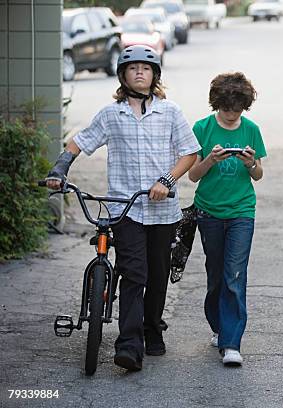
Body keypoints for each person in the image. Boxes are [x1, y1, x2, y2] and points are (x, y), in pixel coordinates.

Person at [46, 45, 200, 370]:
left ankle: (152, 328)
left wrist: (167, 181)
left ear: (155, 75)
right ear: (123, 76)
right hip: (125, 210)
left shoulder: (170, 112)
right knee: (133, 274)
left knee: (157, 276)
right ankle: (129, 345)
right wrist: (59, 169)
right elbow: (79, 142)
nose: (140, 73)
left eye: (146, 68)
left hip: (163, 212)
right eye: (133, 69)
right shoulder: (110, 115)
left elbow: (189, 153)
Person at [188, 72, 266, 367]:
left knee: (235, 274)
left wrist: (250, 163)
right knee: (215, 275)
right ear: (217, 104)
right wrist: (210, 160)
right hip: (208, 211)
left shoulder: (251, 129)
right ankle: (219, 324)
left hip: (242, 212)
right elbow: (193, 175)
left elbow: (258, 175)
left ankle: (231, 343)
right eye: (227, 110)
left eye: (238, 110)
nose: (233, 116)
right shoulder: (202, 128)